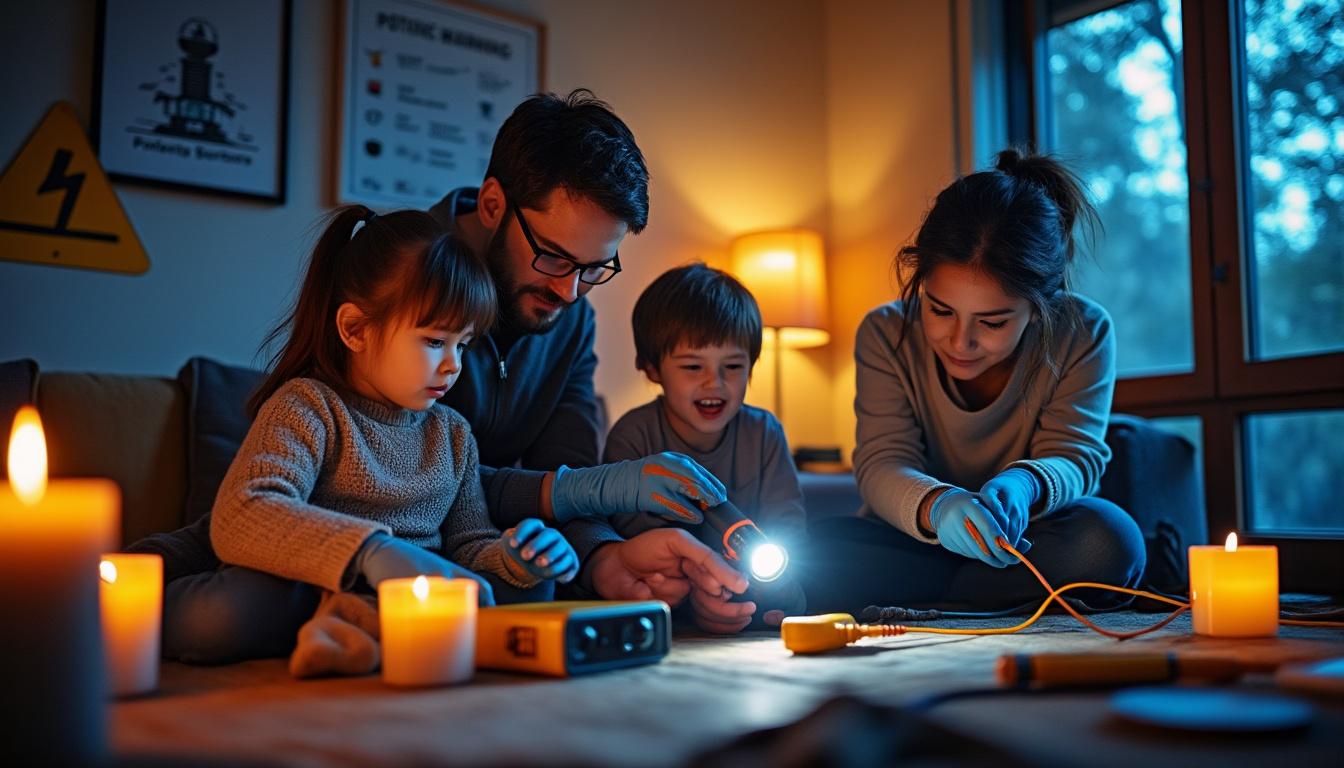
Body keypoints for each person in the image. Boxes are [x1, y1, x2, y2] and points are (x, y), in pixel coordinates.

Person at [128, 90, 748, 661]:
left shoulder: (544, 341)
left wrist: (592, 556)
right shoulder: (390, 290)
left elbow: (490, 508)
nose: (569, 291)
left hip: (437, 570)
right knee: (229, 613)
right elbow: (252, 510)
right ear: (493, 204)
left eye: (594, 269)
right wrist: (591, 490)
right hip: (290, 557)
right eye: (555, 257)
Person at [192, 207, 579, 670]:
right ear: (355, 330)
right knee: (223, 616)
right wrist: (371, 550)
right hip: (311, 584)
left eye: (463, 344)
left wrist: (519, 559)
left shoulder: (453, 435)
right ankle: (350, 623)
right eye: (434, 341)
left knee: (530, 591)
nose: (454, 364)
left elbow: (469, 545)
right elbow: (246, 511)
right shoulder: (308, 407)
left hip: (416, 598)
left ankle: (354, 629)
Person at [806, 148, 1146, 615]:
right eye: (940, 310)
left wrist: (1025, 485)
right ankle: (985, 597)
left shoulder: (1083, 331)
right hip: (913, 541)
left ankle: (941, 597)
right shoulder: (885, 333)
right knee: (812, 549)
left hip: (1023, 541)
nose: (960, 341)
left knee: (1108, 542)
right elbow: (882, 463)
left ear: (1039, 310)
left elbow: (1074, 457)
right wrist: (938, 505)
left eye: (992, 322)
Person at [602, 264, 808, 633]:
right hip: (668, 598)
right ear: (651, 369)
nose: (715, 382)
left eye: (733, 366)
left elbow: (788, 525)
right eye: (693, 366)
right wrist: (702, 586)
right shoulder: (634, 436)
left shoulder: (763, 433)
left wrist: (772, 586)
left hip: (751, 587)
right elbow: (631, 544)